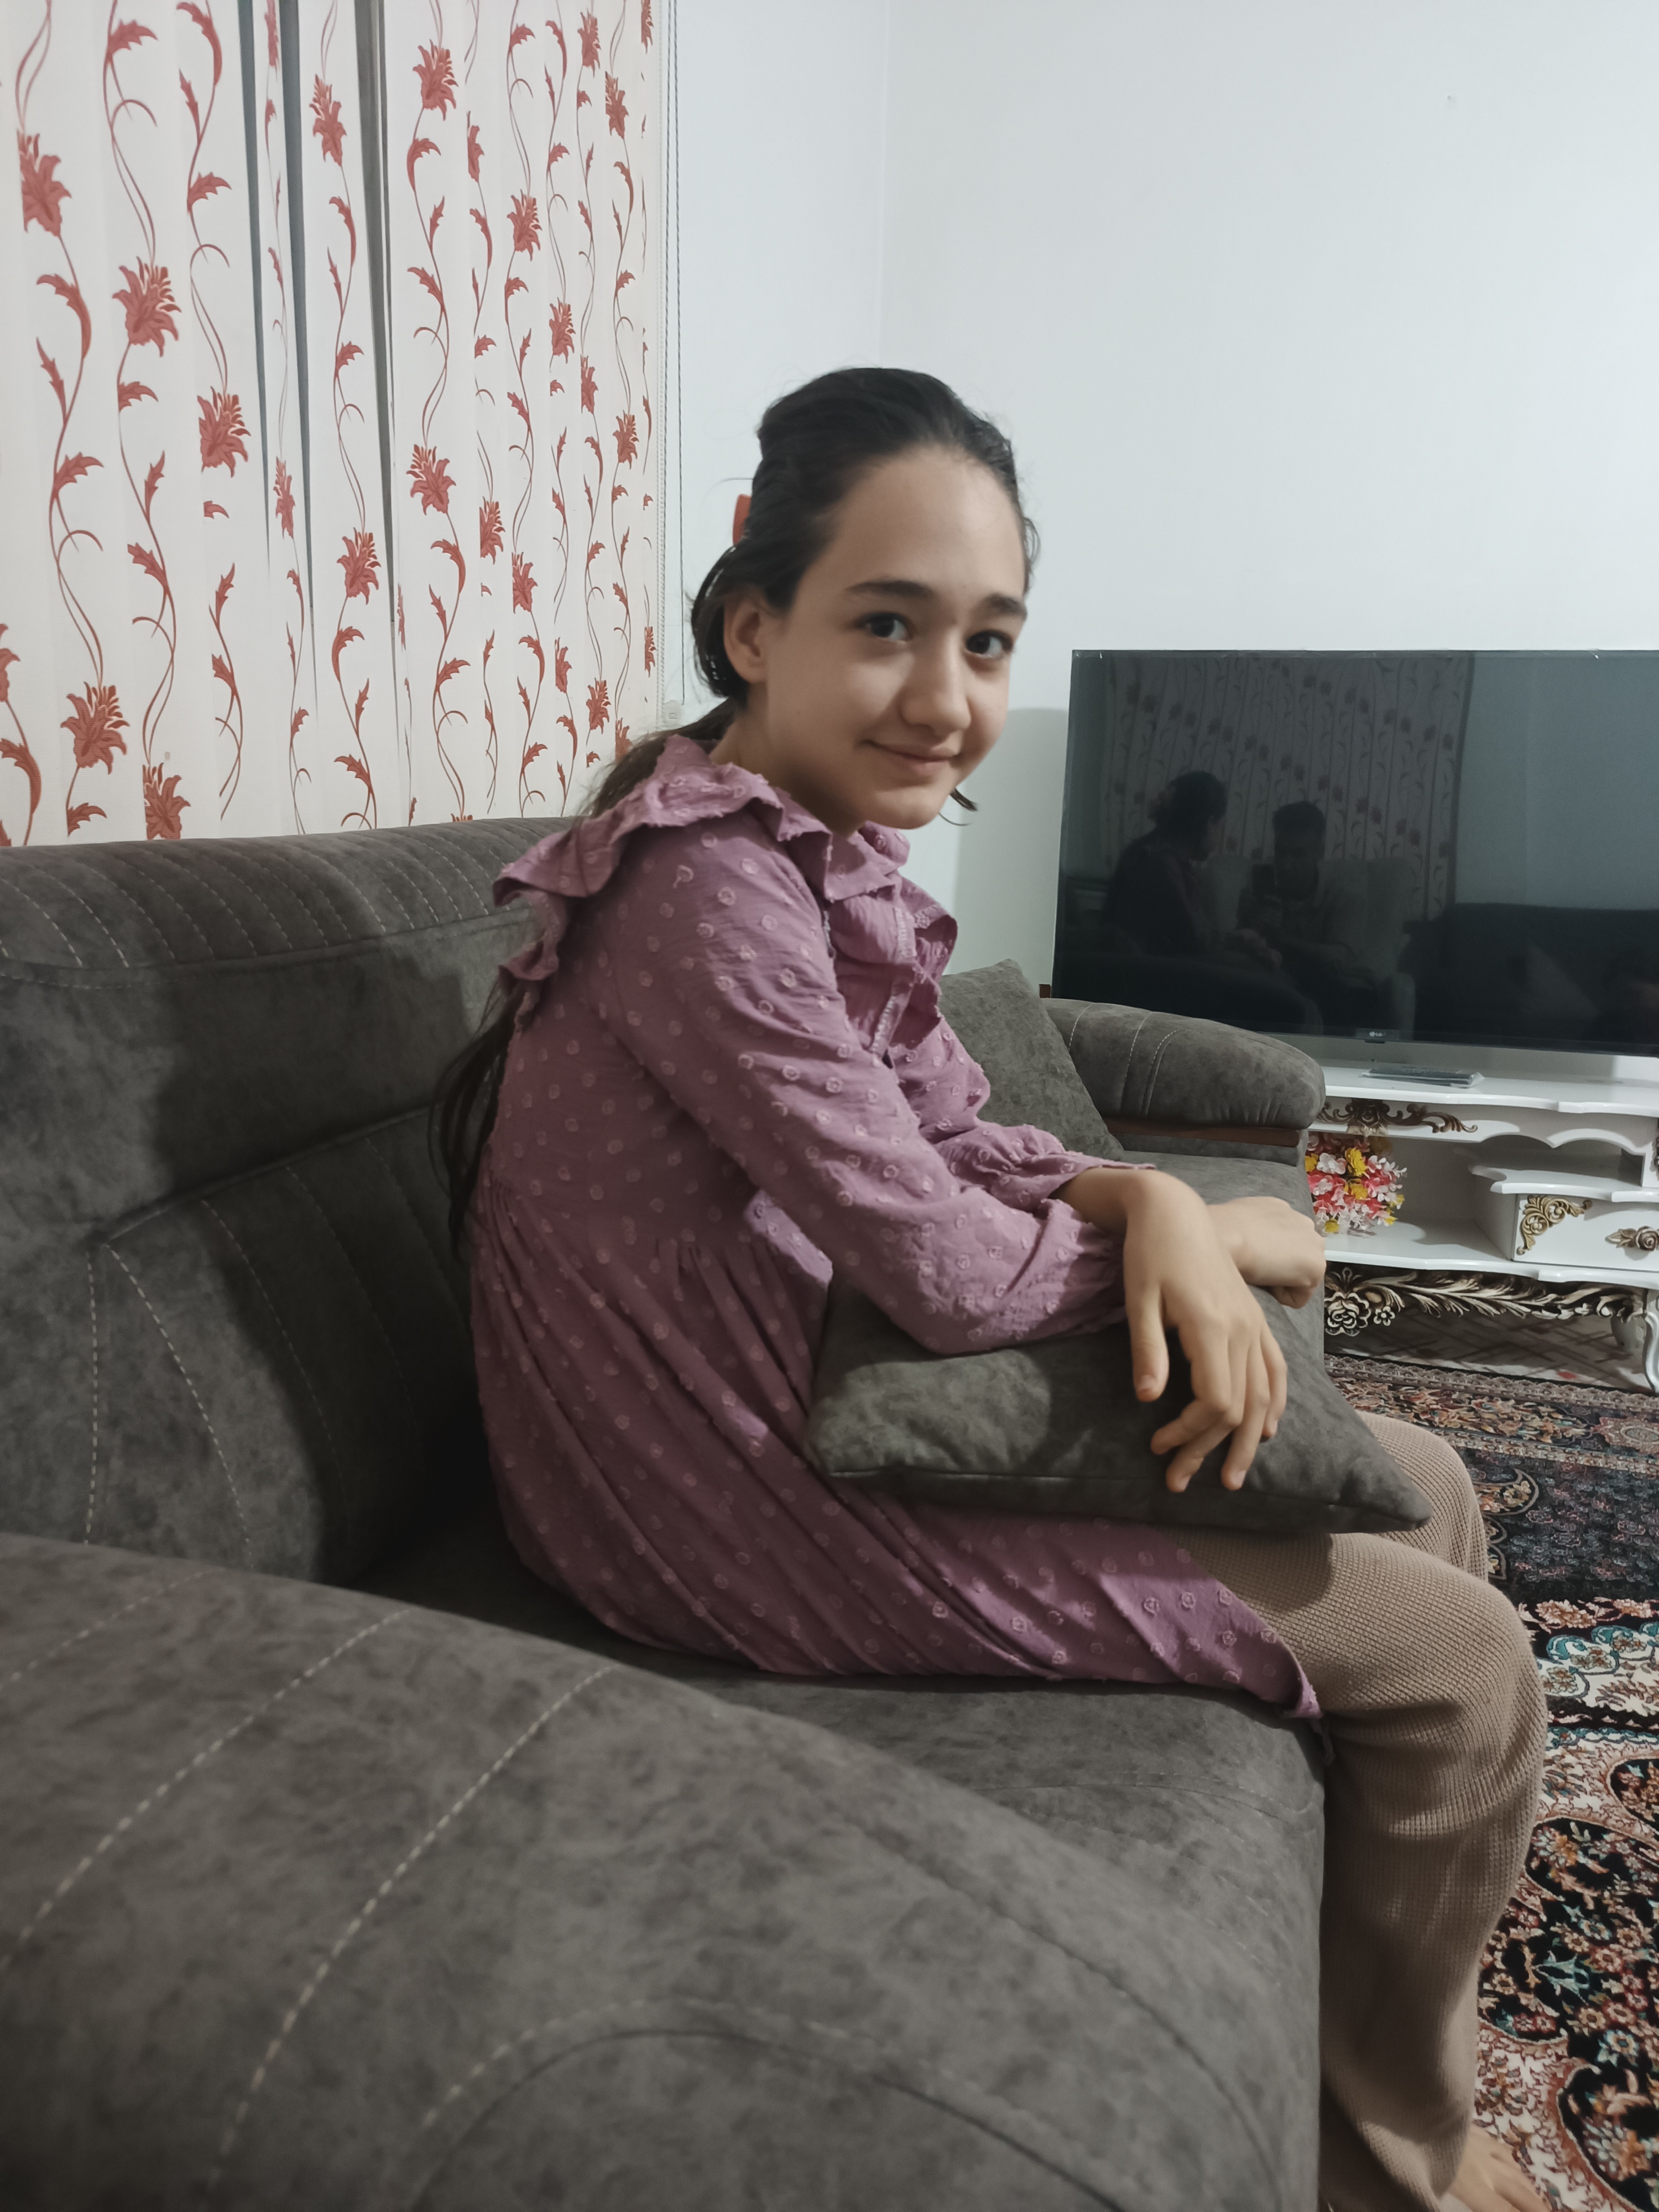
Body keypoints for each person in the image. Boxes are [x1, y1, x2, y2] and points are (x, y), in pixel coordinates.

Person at [437, 368, 1546, 2212]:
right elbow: (950, 1273)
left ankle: (1342, 2029)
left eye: (989, 639)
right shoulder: (706, 888)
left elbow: (955, 1133)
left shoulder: (815, 859)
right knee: (1465, 1667)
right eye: (887, 626)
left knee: (1424, 1484)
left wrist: (1151, 1197)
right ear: (754, 626)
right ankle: (1390, 2157)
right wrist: (1182, 1234)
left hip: (814, 1370)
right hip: (714, 1477)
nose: (948, 698)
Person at [1239, 800, 1384, 1032]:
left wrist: (1281, 938)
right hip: (1287, 988)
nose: (1286, 865)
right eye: (1281, 852)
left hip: (1343, 991)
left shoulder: (1344, 897)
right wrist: (1247, 924)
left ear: (1319, 852)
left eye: (1298, 855)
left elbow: (1340, 961)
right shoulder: (1266, 893)